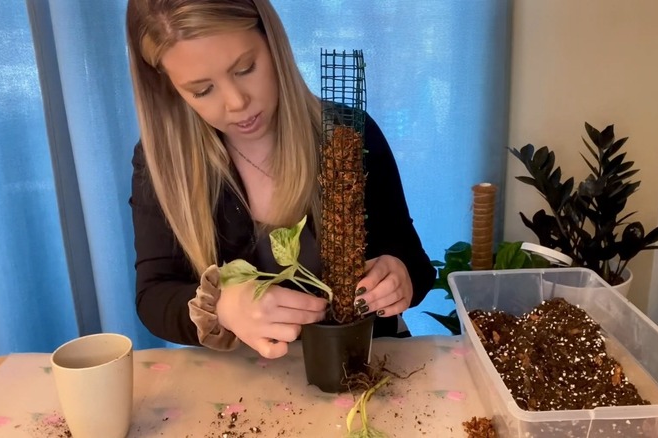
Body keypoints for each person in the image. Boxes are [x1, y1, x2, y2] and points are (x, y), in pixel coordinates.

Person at [126, 0, 436, 359]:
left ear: (273, 42)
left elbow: (415, 262)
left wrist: (398, 274)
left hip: (361, 363)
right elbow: (154, 295)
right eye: (202, 90)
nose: (236, 102)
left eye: (245, 68)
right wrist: (222, 307)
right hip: (245, 383)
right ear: (169, 88)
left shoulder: (348, 135)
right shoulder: (164, 163)